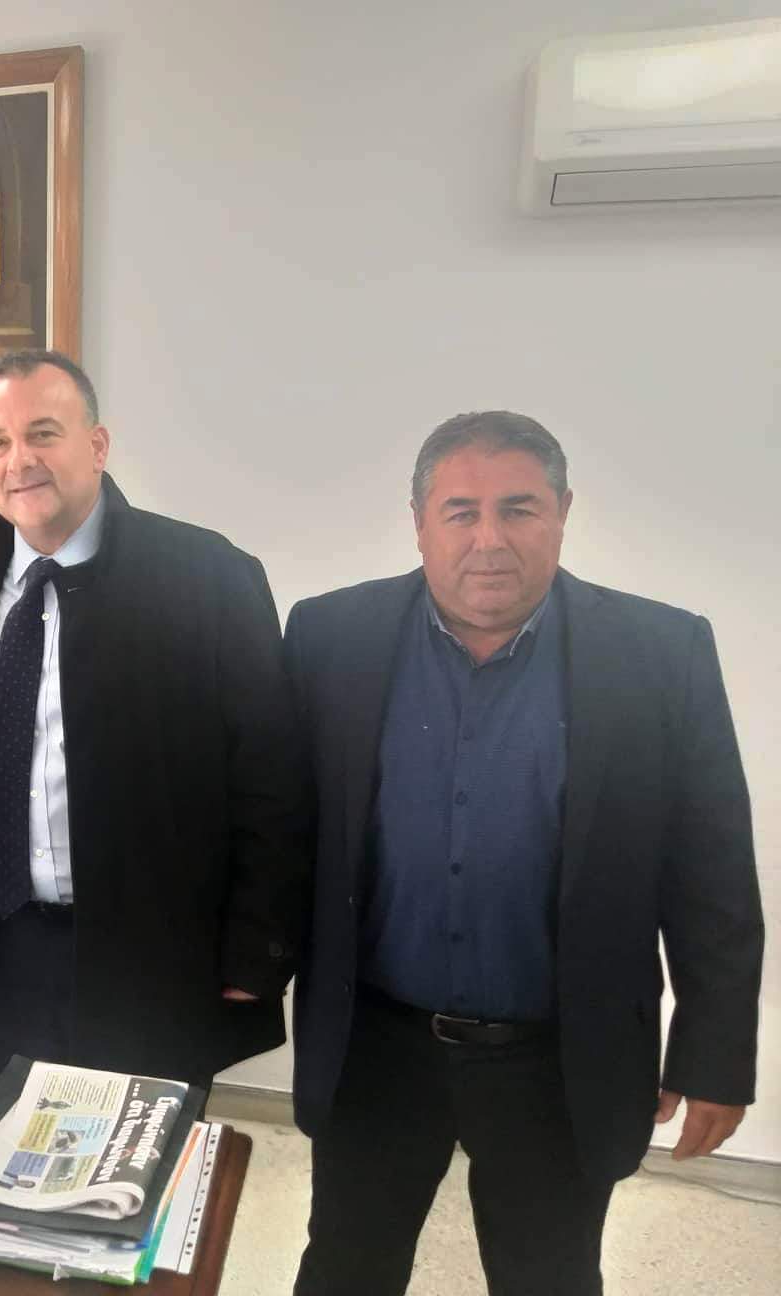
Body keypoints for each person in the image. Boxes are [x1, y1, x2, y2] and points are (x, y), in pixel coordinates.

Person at [285, 411, 764, 1296]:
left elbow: (713, 873)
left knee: (550, 1279)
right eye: (461, 511)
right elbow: (282, 828)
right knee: (346, 1268)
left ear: (564, 512)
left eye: (519, 508)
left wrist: (713, 1055)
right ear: (419, 521)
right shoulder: (329, 639)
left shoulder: (660, 654)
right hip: (377, 1049)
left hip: (560, 1058)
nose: (490, 539)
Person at [0, 349, 310, 1086]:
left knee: (137, 1157)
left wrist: (259, 948)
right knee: (5, 1148)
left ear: (97, 446)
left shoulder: (206, 577)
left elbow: (272, 778)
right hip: (4, 959)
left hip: (150, 962)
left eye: (43, 434)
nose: (18, 461)